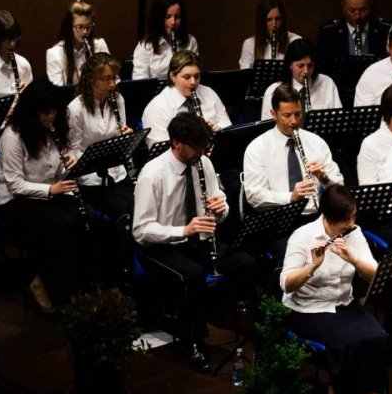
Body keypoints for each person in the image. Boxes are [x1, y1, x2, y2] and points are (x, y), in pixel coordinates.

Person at [132, 113, 257, 372]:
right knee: (193, 275)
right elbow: (141, 231)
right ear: (176, 143)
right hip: (160, 247)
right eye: (196, 147)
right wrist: (183, 230)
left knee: (245, 261)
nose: (201, 152)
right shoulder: (152, 174)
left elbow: (218, 207)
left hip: (197, 241)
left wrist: (221, 208)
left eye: (204, 147)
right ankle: (192, 343)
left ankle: (237, 324)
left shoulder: (203, 164)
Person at [281, 184, 389, 394]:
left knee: (377, 337)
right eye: (347, 220)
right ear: (329, 218)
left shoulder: (354, 233)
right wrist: (312, 266)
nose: (352, 223)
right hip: (309, 309)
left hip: (343, 304)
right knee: (347, 344)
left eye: (353, 217)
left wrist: (354, 260)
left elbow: (374, 275)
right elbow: (287, 285)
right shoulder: (302, 236)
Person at [0, 78, 87, 312]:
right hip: (15, 201)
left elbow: (55, 170)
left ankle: (71, 284)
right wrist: (50, 190)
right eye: (45, 112)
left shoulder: (52, 131)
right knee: (61, 224)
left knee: (85, 219)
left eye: (54, 111)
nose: (51, 117)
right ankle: (39, 282)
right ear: (31, 111)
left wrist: (69, 165)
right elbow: (15, 185)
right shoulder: (13, 137)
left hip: (46, 194)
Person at [244, 83, 344, 219]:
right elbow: (254, 196)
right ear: (273, 114)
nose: (294, 121)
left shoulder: (316, 142)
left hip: (316, 217)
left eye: (298, 114)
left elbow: (340, 188)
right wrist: (291, 197)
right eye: (287, 115)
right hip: (278, 218)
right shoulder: (257, 148)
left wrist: (324, 178)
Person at [67, 53, 134, 222]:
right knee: (120, 213)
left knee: (136, 209)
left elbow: (119, 135)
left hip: (117, 172)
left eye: (114, 78)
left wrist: (126, 138)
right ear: (91, 79)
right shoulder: (75, 108)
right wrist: (93, 165)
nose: (112, 84)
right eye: (106, 79)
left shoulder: (118, 99)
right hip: (90, 180)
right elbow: (73, 149)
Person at [141, 51, 231, 147]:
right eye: (187, 77)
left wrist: (217, 131)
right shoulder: (157, 107)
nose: (193, 82)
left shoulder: (208, 93)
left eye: (196, 76)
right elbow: (161, 149)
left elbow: (227, 127)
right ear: (172, 76)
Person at [260, 38, 342, 120]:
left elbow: (338, 119)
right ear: (290, 65)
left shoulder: (327, 83)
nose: (306, 71)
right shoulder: (272, 91)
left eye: (310, 66)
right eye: (300, 66)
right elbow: (267, 129)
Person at [316, 0, 392, 63]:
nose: (357, 16)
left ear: (370, 6)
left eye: (362, 10)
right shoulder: (328, 31)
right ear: (344, 7)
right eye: (352, 10)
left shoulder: (386, 29)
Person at [132, 0, 198, 80]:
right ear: (159, 18)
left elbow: (195, 74)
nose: (173, 22)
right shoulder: (146, 46)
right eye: (167, 17)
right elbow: (140, 83)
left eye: (177, 17)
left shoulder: (190, 41)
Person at [46, 0, 110, 86]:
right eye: (80, 27)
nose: (85, 32)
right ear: (69, 27)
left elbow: (113, 78)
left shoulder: (99, 45)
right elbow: (58, 92)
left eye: (88, 27)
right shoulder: (54, 53)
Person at [238, 0, 301, 69]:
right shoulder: (250, 44)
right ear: (261, 22)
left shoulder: (295, 41)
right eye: (269, 20)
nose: (274, 24)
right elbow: (245, 76)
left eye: (277, 19)